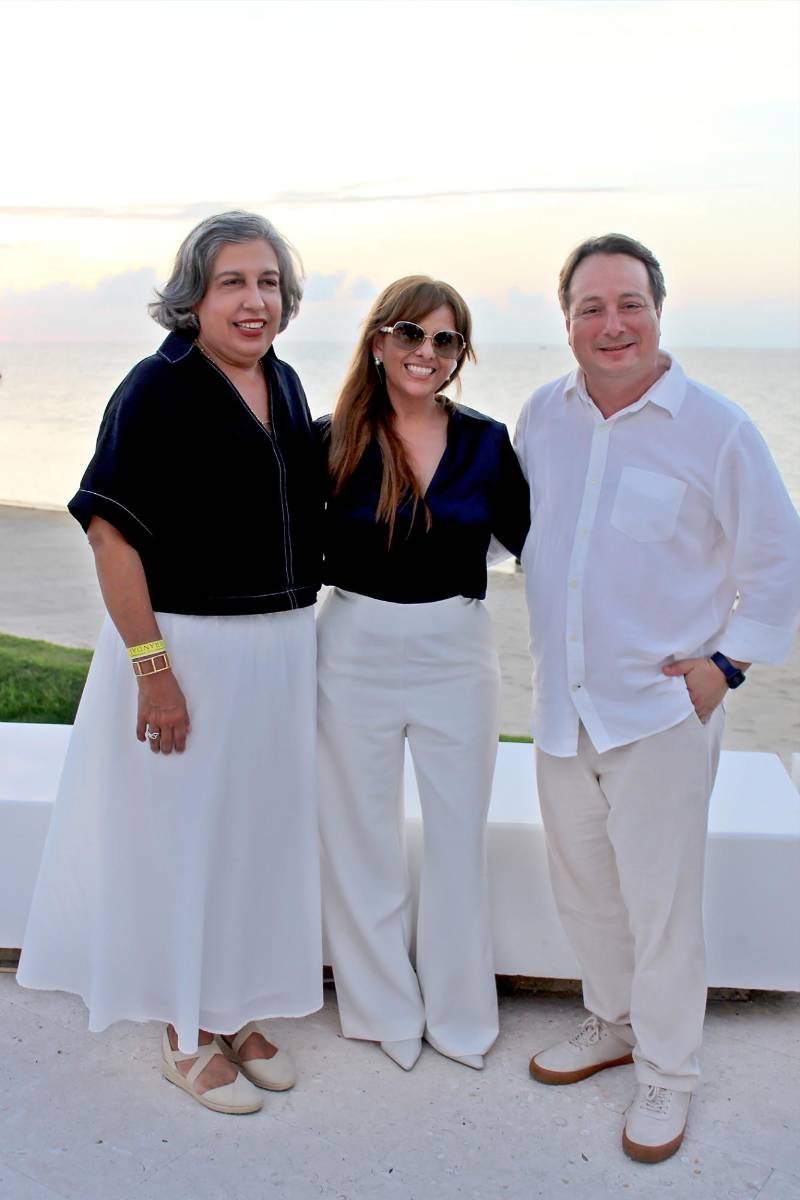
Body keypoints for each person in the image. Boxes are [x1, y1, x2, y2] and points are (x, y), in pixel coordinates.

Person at [18, 211, 323, 1115]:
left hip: (276, 651)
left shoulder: (287, 381)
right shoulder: (156, 388)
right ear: (193, 296)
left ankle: (236, 1006)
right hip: (185, 652)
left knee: (251, 841)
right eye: (233, 282)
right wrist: (153, 670)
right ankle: (184, 1033)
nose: (254, 300)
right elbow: (111, 534)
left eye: (267, 282)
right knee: (182, 843)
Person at [515, 233, 800, 1162]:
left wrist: (726, 669)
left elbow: (779, 564)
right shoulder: (541, 417)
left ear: (659, 310)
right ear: (565, 321)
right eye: (590, 307)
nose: (611, 324)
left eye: (628, 303)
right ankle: (614, 1022)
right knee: (587, 892)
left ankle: (670, 1075)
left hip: (663, 715)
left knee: (664, 905)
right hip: (563, 708)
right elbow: (522, 539)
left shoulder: (718, 429)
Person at [316, 276, 530, 1073]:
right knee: (360, 837)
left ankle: (461, 1014)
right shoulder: (328, 438)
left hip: (456, 652)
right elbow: (283, 551)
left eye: (446, 340)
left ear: (459, 356)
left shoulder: (487, 441)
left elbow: (539, 549)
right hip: (352, 647)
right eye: (410, 333)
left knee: (454, 841)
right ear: (377, 342)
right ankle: (380, 1011)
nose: (426, 352)